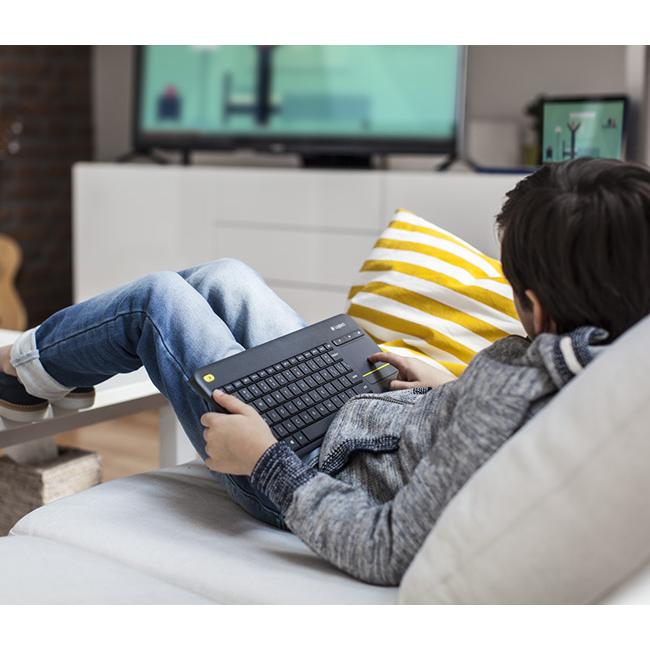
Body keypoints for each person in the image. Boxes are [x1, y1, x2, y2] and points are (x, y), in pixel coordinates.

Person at [1, 157, 649, 586]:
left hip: (304, 466)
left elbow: (385, 546)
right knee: (227, 276)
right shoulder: (608, 361)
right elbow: (482, 435)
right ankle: (46, 377)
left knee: (156, 302)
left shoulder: (521, 393)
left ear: (537, 308)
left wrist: (263, 460)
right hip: (363, 418)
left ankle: (18, 374)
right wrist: (447, 390)